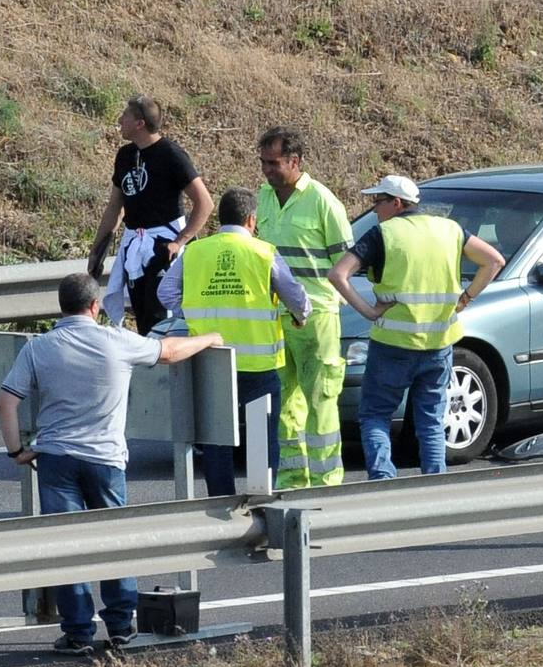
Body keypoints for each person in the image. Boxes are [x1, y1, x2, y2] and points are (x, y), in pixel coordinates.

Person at [0, 274, 222, 656]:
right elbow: (168, 351)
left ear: (61, 306)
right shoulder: (115, 340)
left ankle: (78, 633)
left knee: (67, 546)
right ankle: (120, 627)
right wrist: (209, 339)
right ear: (95, 306)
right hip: (105, 459)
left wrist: (16, 450)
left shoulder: (39, 348)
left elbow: (7, 401)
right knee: (115, 543)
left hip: (56, 459)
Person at [327, 175, 505, 478]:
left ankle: (384, 482)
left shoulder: (384, 233)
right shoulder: (450, 229)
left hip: (392, 345)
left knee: (375, 416)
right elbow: (494, 261)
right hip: (438, 344)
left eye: (378, 202)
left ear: (397, 203)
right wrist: (466, 298)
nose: (375, 209)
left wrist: (369, 311)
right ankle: (434, 485)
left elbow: (337, 275)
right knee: (432, 420)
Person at [160, 187, 309, 496]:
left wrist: (193, 316)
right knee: (262, 439)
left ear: (219, 219)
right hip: (258, 364)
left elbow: (166, 293)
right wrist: (301, 315)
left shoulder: (197, 251)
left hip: (210, 359)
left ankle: (220, 501)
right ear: (251, 219)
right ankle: (261, 499)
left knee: (217, 437)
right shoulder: (263, 252)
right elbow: (295, 296)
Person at [254, 127, 355, 488]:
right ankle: (293, 479)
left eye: (274, 163)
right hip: (276, 317)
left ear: (295, 161)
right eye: (263, 162)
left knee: (321, 402)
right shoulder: (263, 197)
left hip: (317, 317)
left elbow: (345, 263)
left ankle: (328, 481)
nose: (266, 170)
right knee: (283, 403)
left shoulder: (323, 201)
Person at [87, 95, 214, 334]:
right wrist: (97, 252)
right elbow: (115, 207)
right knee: (143, 317)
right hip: (136, 245)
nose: (119, 120)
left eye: (125, 116)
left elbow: (205, 203)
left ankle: (168, 367)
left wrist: (179, 242)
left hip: (164, 248)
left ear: (140, 123)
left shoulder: (171, 155)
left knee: (163, 320)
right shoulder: (125, 156)